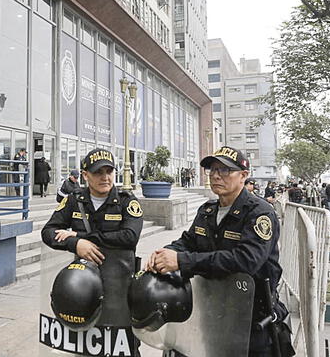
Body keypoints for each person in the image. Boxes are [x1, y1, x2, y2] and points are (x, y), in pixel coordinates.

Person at [145, 146, 294, 356]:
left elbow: (246, 261)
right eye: (212, 170)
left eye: (225, 170)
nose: (216, 175)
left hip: (251, 318)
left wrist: (182, 261)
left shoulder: (259, 214)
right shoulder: (207, 211)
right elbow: (188, 241)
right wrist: (165, 253)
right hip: (210, 312)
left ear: (243, 176)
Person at [42, 148, 144, 354]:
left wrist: (81, 239)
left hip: (119, 288)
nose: (105, 177)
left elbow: (129, 236)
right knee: (85, 343)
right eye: (98, 172)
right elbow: (48, 232)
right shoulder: (74, 200)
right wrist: (74, 245)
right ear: (85, 175)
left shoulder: (126, 201)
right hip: (82, 287)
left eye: (109, 171)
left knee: (122, 345)